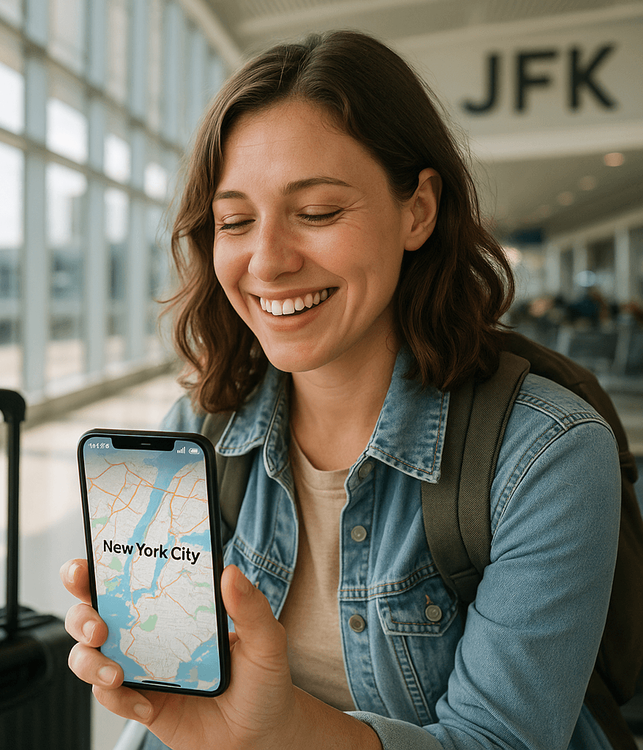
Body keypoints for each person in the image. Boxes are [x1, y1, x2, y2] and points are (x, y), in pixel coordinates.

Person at [61, 31, 621, 750]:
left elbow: (498, 741)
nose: (267, 260)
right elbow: (184, 716)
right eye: (234, 221)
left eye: (318, 212)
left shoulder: (546, 454)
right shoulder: (202, 428)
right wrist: (155, 708)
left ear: (417, 209)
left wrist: (284, 730)